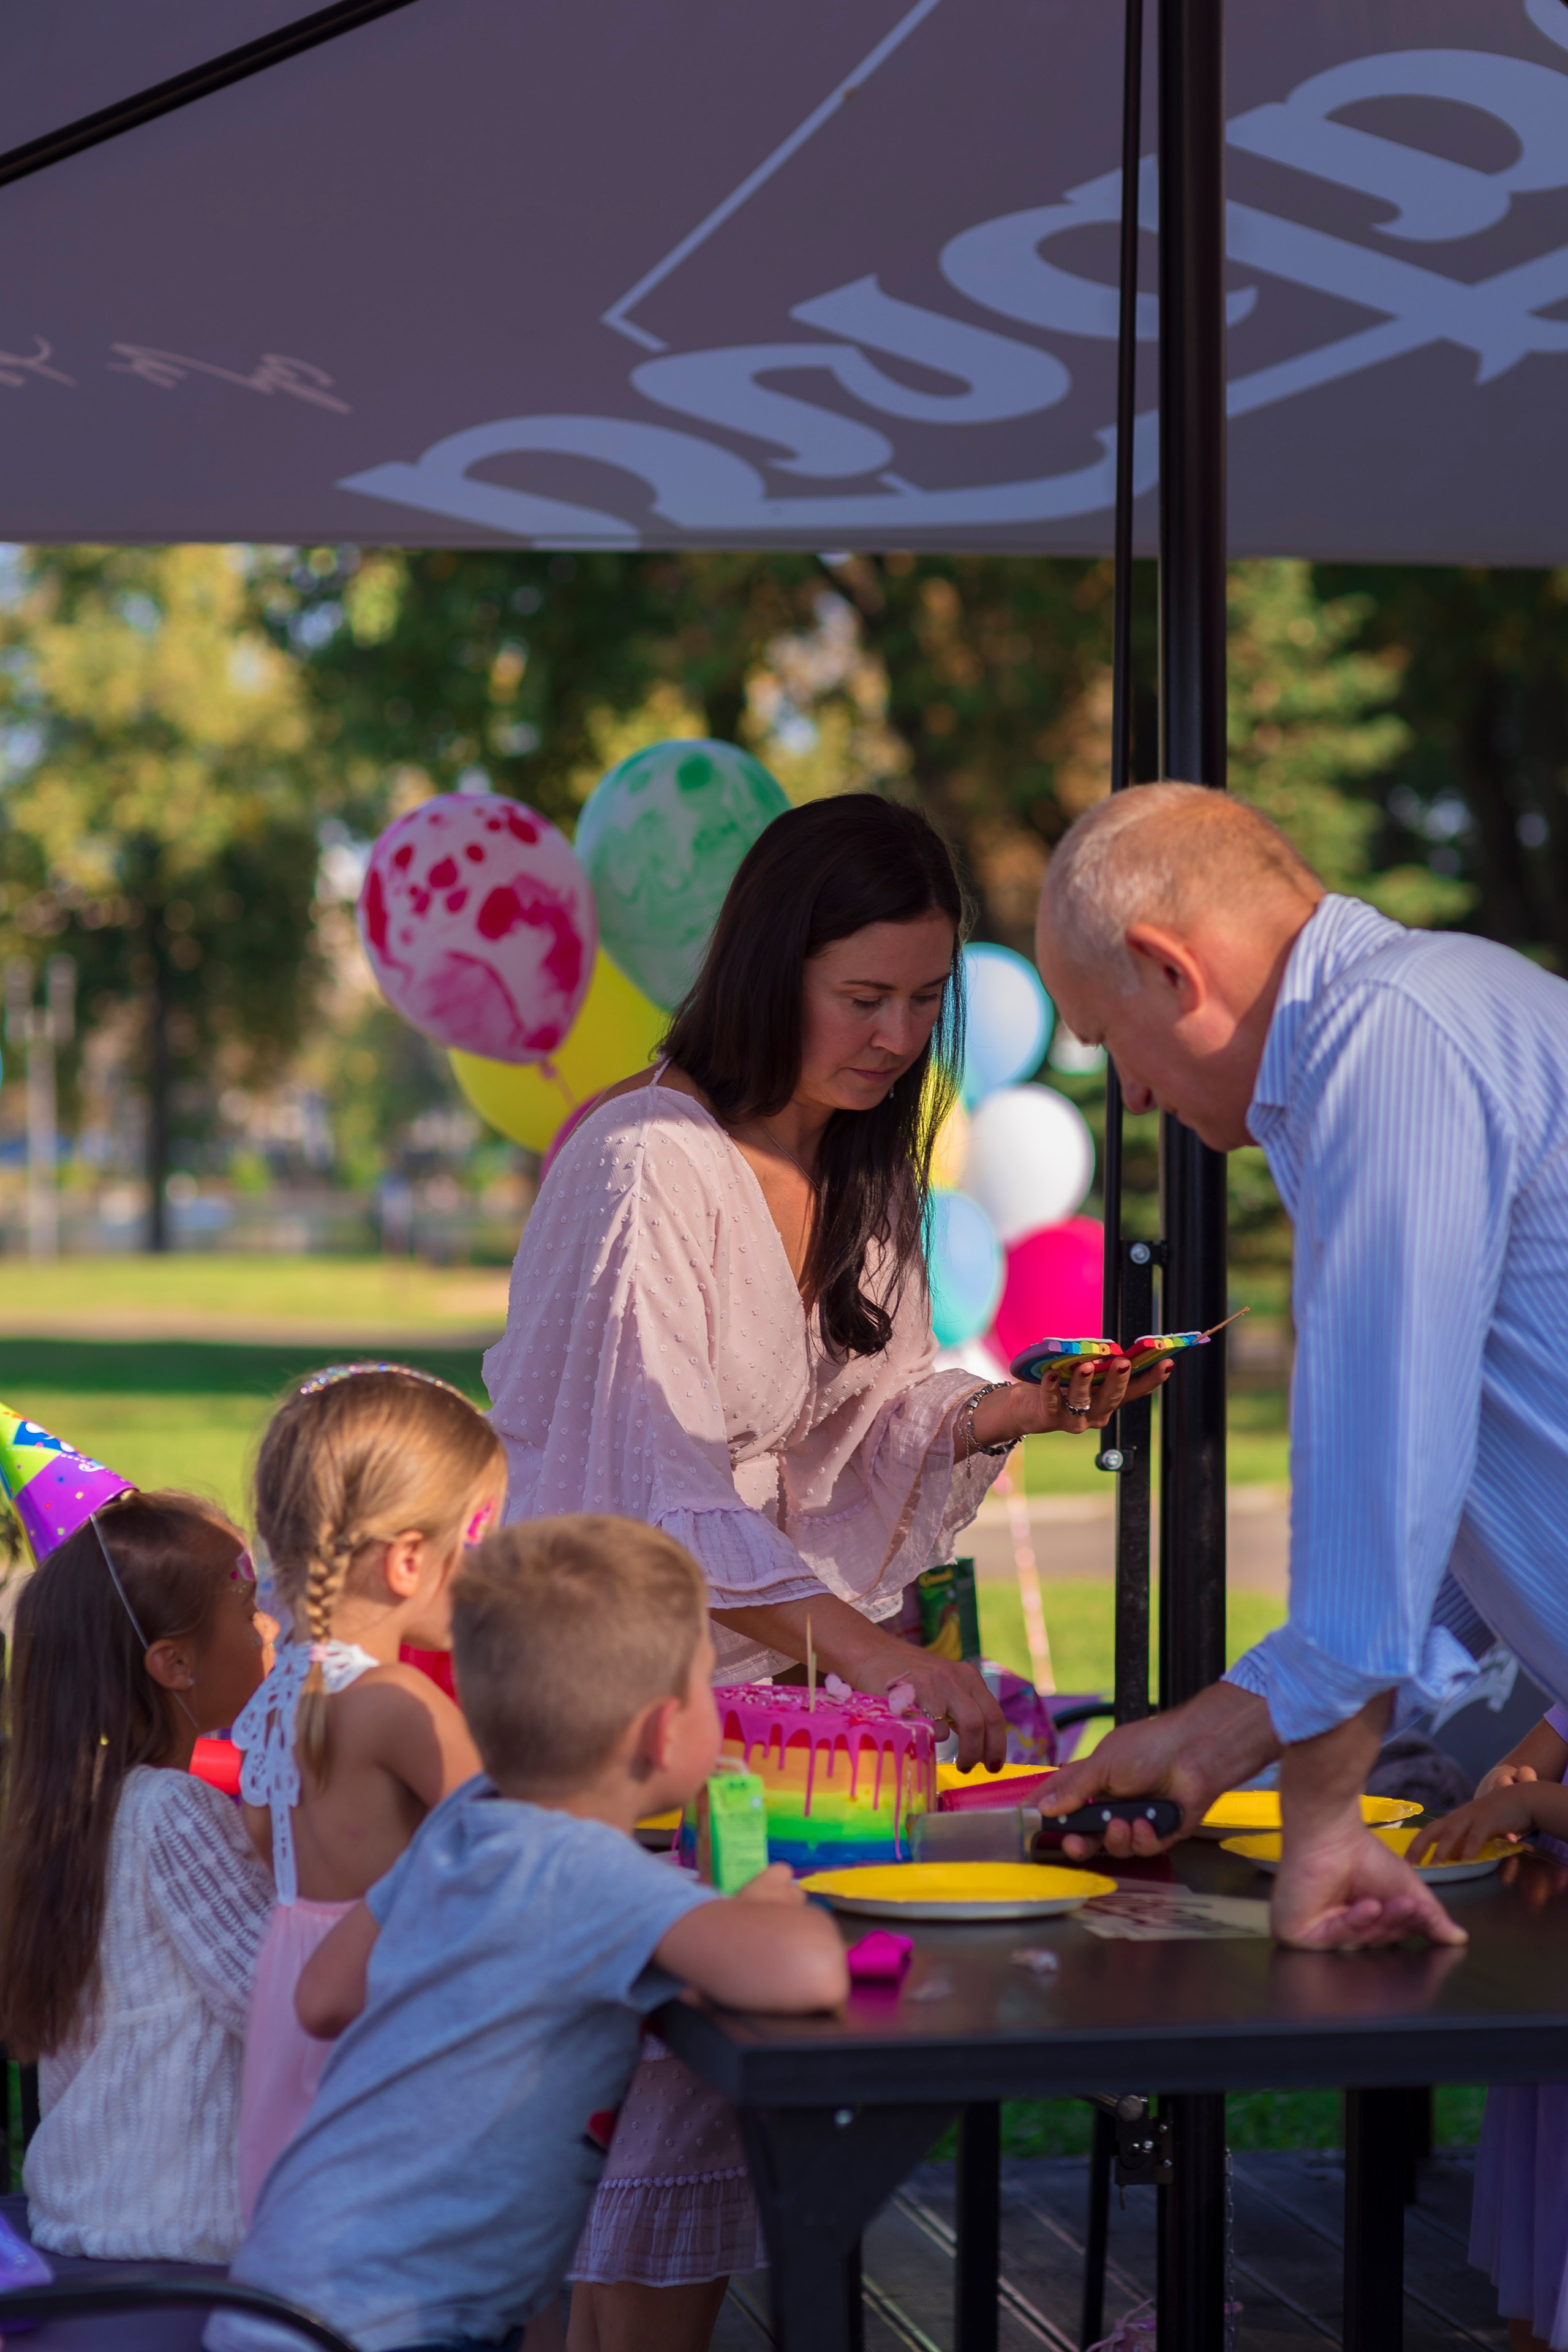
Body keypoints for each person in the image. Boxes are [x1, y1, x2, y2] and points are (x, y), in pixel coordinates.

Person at [483, 792, 1165, 2342]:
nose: (894, 1034)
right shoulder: (646, 1161)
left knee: (695, 2144)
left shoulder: (863, 1162)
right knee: (644, 2145)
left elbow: (862, 1422)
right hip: (623, 1731)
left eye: (925, 1001)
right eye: (862, 995)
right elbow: (641, 1488)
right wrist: (875, 1656)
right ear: (769, 963)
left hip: (766, 1745)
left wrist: (1018, 1401)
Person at [1035, 781, 1568, 1951]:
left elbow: (1384, 1475)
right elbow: (1468, 1507)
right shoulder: (1392, 1034)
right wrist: (1215, 1737)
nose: (1128, 1092)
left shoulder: (1391, 1041)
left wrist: (1321, 1821)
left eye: (1106, 1038)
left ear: (1168, 968)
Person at [218, 1515, 848, 2352]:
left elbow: (326, 1995)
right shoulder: (593, 1876)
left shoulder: (461, 1827)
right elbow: (808, 1976)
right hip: (400, 2329)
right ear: (663, 1731)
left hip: (282, 2295)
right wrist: (764, 1905)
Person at [232, 1362, 505, 2218]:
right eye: (483, 1538)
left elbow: (256, 1830)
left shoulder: (275, 1691)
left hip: (292, 1990)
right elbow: (512, 1840)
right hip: (379, 2003)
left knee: (309, 2227)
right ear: (409, 1561)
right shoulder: (397, 1703)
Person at [0, 1491, 273, 2262]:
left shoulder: (83, 1813)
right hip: (177, 2243)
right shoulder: (170, 1812)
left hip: (92, 2221)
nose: (271, 1632)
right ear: (174, 1663)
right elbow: (282, 2000)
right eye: (251, 1612)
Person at [1412, 1715, 1568, 2352]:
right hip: (1549, 1985)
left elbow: (1534, 1795)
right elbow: (1519, 1763)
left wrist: (1535, 1801)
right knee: (1545, 2223)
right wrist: (1503, 1784)